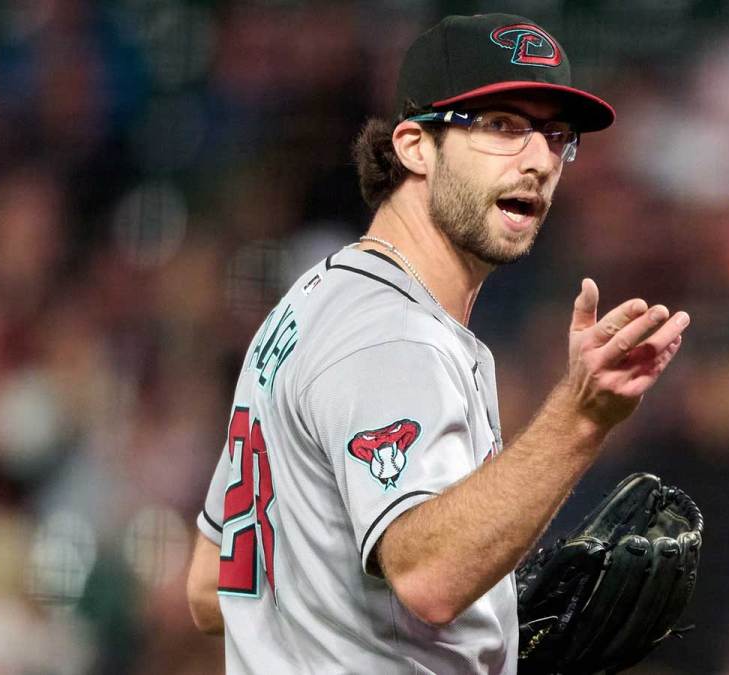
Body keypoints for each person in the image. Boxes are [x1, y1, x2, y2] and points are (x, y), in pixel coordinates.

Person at [186, 13, 690, 674]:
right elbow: (429, 579)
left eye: (556, 135)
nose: (538, 159)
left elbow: (209, 583)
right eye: (503, 126)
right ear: (416, 146)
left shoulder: (311, 302)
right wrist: (580, 418)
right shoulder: (393, 335)